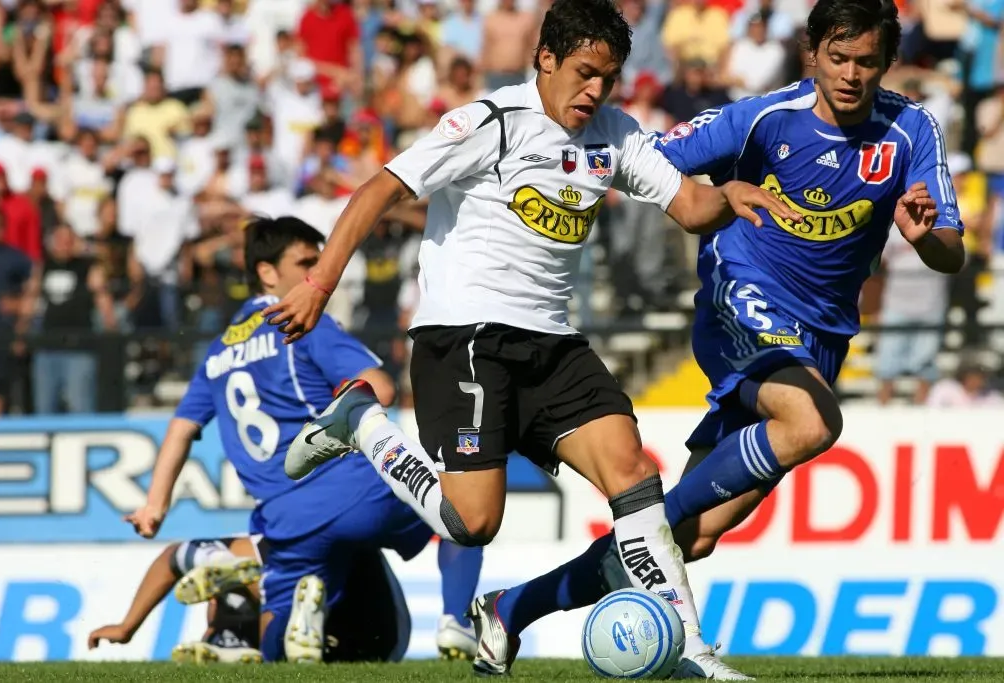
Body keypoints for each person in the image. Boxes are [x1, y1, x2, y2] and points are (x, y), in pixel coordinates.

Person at [267, 0, 798, 678]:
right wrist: (317, 284)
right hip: (466, 334)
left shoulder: (615, 135)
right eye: (583, 73)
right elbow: (377, 189)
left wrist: (736, 192)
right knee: (473, 522)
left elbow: (691, 208)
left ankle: (690, 648)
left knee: (633, 474)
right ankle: (363, 422)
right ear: (544, 58)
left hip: (551, 342)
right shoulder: (490, 122)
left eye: (606, 79)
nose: (594, 92)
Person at [461, 0, 966, 663]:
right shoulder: (760, 118)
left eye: (866, 61)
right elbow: (647, 157)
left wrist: (926, 239)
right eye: (837, 58)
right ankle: (646, 535)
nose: (850, 74)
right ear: (811, 54)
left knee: (691, 536)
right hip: (742, 296)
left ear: (887, 63)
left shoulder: (911, 130)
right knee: (812, 422)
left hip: (822, 338)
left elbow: (952, 251)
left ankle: (509, 607)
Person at [125, 216, 483, 663]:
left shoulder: (216, 353)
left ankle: (261, 611)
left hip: (286, 519)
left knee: (276, 652)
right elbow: (381, 388)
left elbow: (180, 428)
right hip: (355, 491)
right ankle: (456, 621)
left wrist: (155, 505)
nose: (319, 272)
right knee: (465, 508)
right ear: (267, 272)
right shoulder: (303, 321)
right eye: (306, 262)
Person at [87, 534, 424, 664]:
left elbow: (172, 557)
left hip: (378, 633)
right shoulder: (326, 518)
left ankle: (233, 643)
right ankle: (242, 644)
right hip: (382, 635)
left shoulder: (273, 536)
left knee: (252, 581)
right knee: (263, 581)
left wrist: (127, 626)